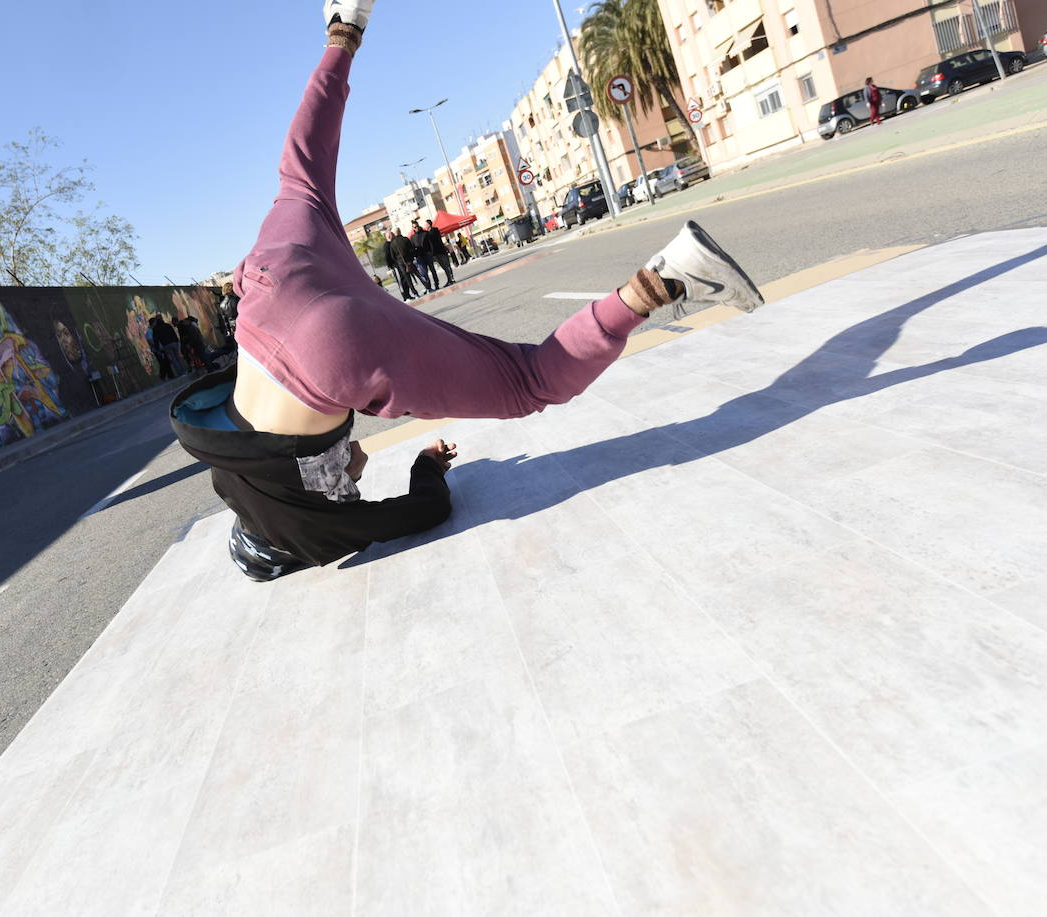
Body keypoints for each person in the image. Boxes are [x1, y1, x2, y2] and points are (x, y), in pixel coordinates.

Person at [170, 1, 763, 582]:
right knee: (300, 175)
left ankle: (671, 277)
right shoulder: (225, 464)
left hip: (333, 354)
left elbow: (421, 512)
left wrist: (427, 469)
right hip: (266, 289)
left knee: (531, 381)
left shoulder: (295, 533)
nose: (359, 470)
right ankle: (343, 30)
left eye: (345, 483)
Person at [384, 228, 419, 300]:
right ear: (389, 236)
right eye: (392, 234)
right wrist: (391, 266)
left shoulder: (393, 242)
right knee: (400, 281)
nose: (393, 235)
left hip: (399, 264)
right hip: (395, 266)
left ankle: (408, 295)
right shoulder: (387, 245)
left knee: (405, 280)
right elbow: (388, 257)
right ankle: (405, 296)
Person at [425, 219, 456, 285]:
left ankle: (450, 279)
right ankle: (450, 279)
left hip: (439, 251)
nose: (425, 226)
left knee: (445, 265)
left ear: (428, 224)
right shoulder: (430, 232)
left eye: (425, 224)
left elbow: (434, 240)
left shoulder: (433, 231)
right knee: (445, 266)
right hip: (437, 251)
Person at [408, 221, 437, 293]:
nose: (416, 228)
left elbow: (431, 244)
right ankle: (429, 287)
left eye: (417, 226)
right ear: (413, 228)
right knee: (424, 273)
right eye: (414, 227)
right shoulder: (412, 237)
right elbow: (412, 248)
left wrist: (432, 253)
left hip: (428, 254)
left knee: (432, 270)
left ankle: (436, 284)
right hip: (419, 257)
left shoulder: (425, 233)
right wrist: (414, 256)